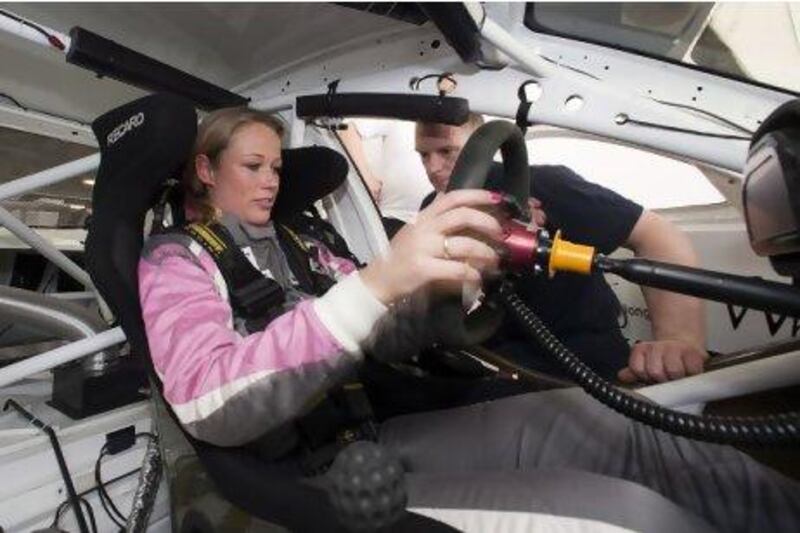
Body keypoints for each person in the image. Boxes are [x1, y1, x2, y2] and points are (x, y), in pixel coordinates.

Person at [138, 107, 800, 532]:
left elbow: (386, 330)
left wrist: (454, 284)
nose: (271, 181)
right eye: (254, 166)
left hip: (382, 430)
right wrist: (377, 281)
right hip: (316, 476)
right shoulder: (176, 260)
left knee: (621, 430)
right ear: (205, 167)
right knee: (629, 517)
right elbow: (207, 396)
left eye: (277, 167)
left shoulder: (301, 244)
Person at [416, 114, 708, 383]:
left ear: (479, 144)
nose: (432, 167)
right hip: (493, 362)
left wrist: (679, 340)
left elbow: (658, 234)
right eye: (423, 155)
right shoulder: (432, 206)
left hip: (581, 363)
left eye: (446, 152)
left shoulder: (546, 186)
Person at [338, 118, 433, 237]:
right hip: (396, 218)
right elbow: (348, 129)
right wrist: (365, 179)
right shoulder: (403, 108)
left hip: (442, 222)